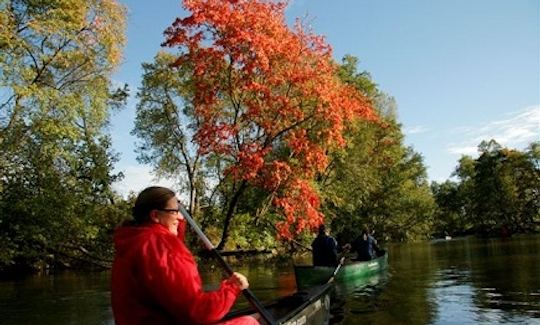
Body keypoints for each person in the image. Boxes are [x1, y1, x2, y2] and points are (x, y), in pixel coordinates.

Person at [111, 186, 258, 325]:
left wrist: (177, 226)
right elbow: (198, 312)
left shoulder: (131, 242)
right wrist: (232, 288)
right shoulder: (162, 245)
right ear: (155, 215)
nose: (181, 216)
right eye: (175, 211)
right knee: (250, 322)